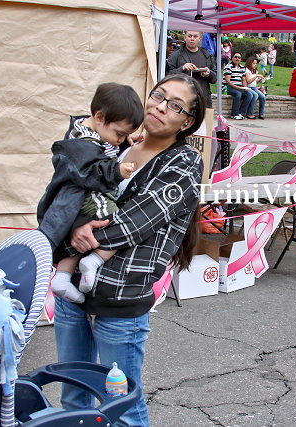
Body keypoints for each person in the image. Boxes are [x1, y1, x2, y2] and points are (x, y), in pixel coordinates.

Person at [54, 73, 206, 427]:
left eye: (175, 106)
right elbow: (68, 178)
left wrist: (75, 233)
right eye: (158, 95)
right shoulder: (117, 142)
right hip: (72, 291)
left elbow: (137, 221)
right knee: (73, 394)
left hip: (120, 297)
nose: (160, 107)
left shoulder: (184, 162)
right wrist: (71, 225)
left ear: (187, 122)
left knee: (121, 406)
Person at [37, 83, 144, 304]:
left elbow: (108, 146)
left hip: (81, 197)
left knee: (82, 237)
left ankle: (62, 277)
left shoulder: (89, 132)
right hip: (91, 196)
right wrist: (116, 171)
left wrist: (125, 142)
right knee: (120, 223)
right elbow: (92, 171)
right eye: (119, 134)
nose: (120, 139)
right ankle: (94, 261)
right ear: (99, 116)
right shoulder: (83, 144)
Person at [167, 30, 217, 108]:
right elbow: (167, 75)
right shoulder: (176, 55)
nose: (192, 39)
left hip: (203, 100)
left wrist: (209, 73)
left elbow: (215, 78)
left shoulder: (206, 55)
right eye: (189, 36)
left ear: (200, 38)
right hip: (182, 99)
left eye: (195, 36)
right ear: (185, 37)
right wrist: (182, 68)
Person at [223, 52, 255, 120]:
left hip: (239, 87)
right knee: (238, 94)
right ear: (232, 58)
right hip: (228, 87)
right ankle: (234, 114)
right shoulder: (228, 67)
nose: (237, 59)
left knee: (249, 94)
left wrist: (245, 87)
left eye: (239, 57)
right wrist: (237, 87)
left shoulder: (242, 68)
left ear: (240, 59)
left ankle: (241, 113)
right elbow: (228, 81)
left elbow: (243, 79)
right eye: (235, 57)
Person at [244, 56, 266, 120]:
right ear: (249, 63)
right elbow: (248, 81)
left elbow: (255, 82)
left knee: (262, 96)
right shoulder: (247, 70)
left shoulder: (255, 71)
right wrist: (256, 76)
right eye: (253, 63)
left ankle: (261, 113)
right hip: (248, 87)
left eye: (256, 63)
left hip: (254, 87)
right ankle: (249, 113)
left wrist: (260, 79)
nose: (255, 65)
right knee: (255, 95)